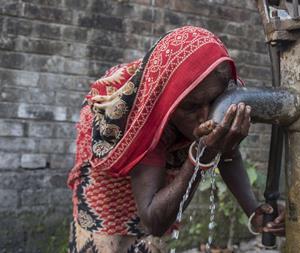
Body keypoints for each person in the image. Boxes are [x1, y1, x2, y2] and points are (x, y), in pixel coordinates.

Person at [67, 26, 285, 253]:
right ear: (170, 102)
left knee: (148, 246)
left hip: (160, 153)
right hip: (112, 166)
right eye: (191, 107)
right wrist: (202, 155)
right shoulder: (142, 114)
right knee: (106, 243)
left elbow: (227, 153)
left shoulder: (222, 94)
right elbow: (155, 222)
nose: (205, 117)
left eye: (214, 102)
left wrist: (254, 211)